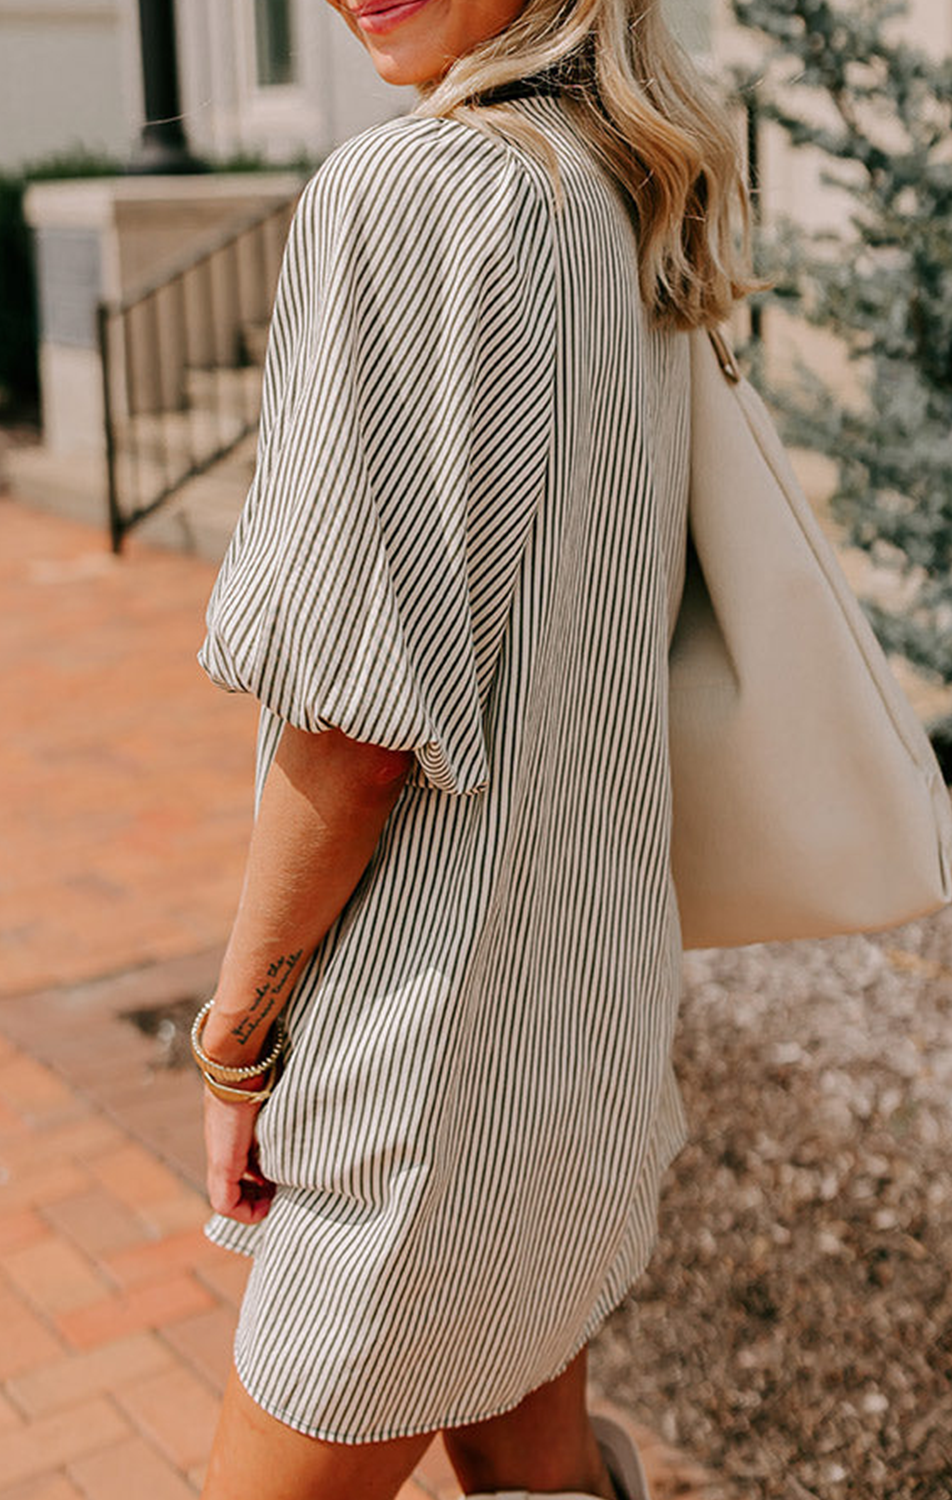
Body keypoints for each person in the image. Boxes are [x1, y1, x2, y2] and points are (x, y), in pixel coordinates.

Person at [193, 0, 754, 1495]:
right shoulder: (626, 186)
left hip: (424, 1068)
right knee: (537, 1471)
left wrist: (236, 1044)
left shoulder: (411, 191)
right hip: (581, 1025)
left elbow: (353, 733)